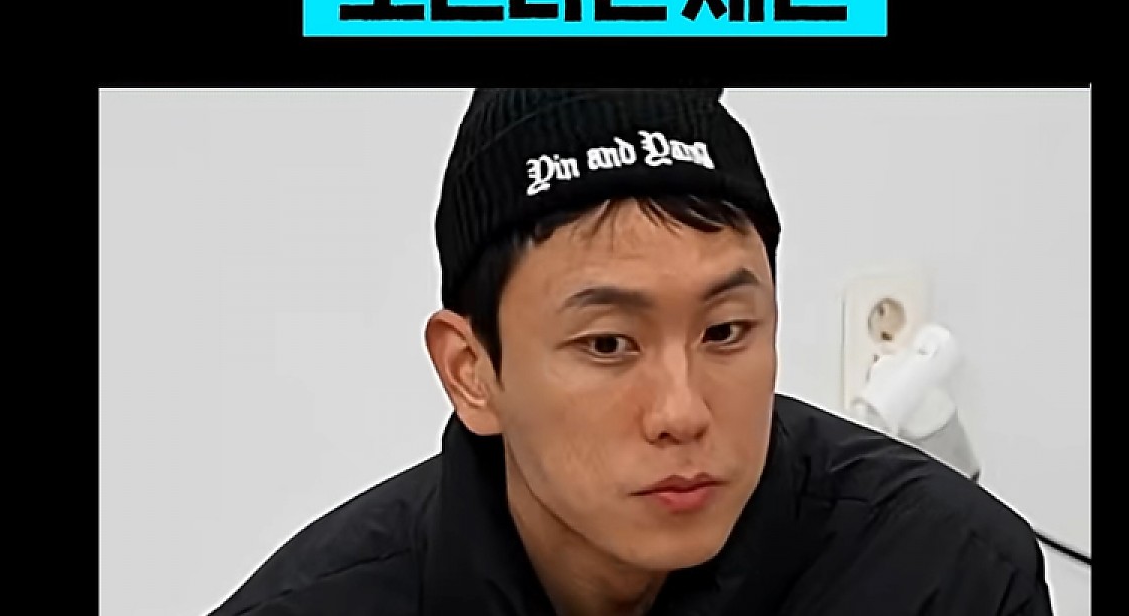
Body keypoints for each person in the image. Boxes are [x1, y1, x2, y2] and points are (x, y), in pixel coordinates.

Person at [207, 88, 1053, 616]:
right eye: (609, 344)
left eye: (725, 332)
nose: (682, 412)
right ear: (472, 371)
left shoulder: (946, 578)